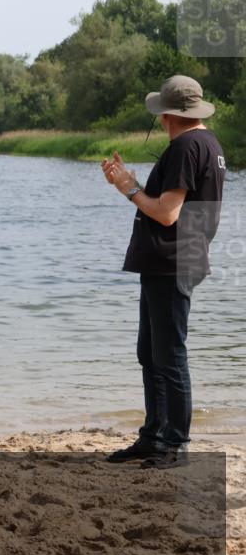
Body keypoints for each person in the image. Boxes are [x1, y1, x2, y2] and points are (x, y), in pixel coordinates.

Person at [101, 75, 226, 469]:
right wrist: (135, 183)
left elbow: (167, 213)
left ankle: (174, 444)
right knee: (151, 353)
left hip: (172, 261)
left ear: (168, 115)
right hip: (176, 259)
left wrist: (128, 190)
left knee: (168, 356)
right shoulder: (208, 144)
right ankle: (154, 436)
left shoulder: (186, 147)